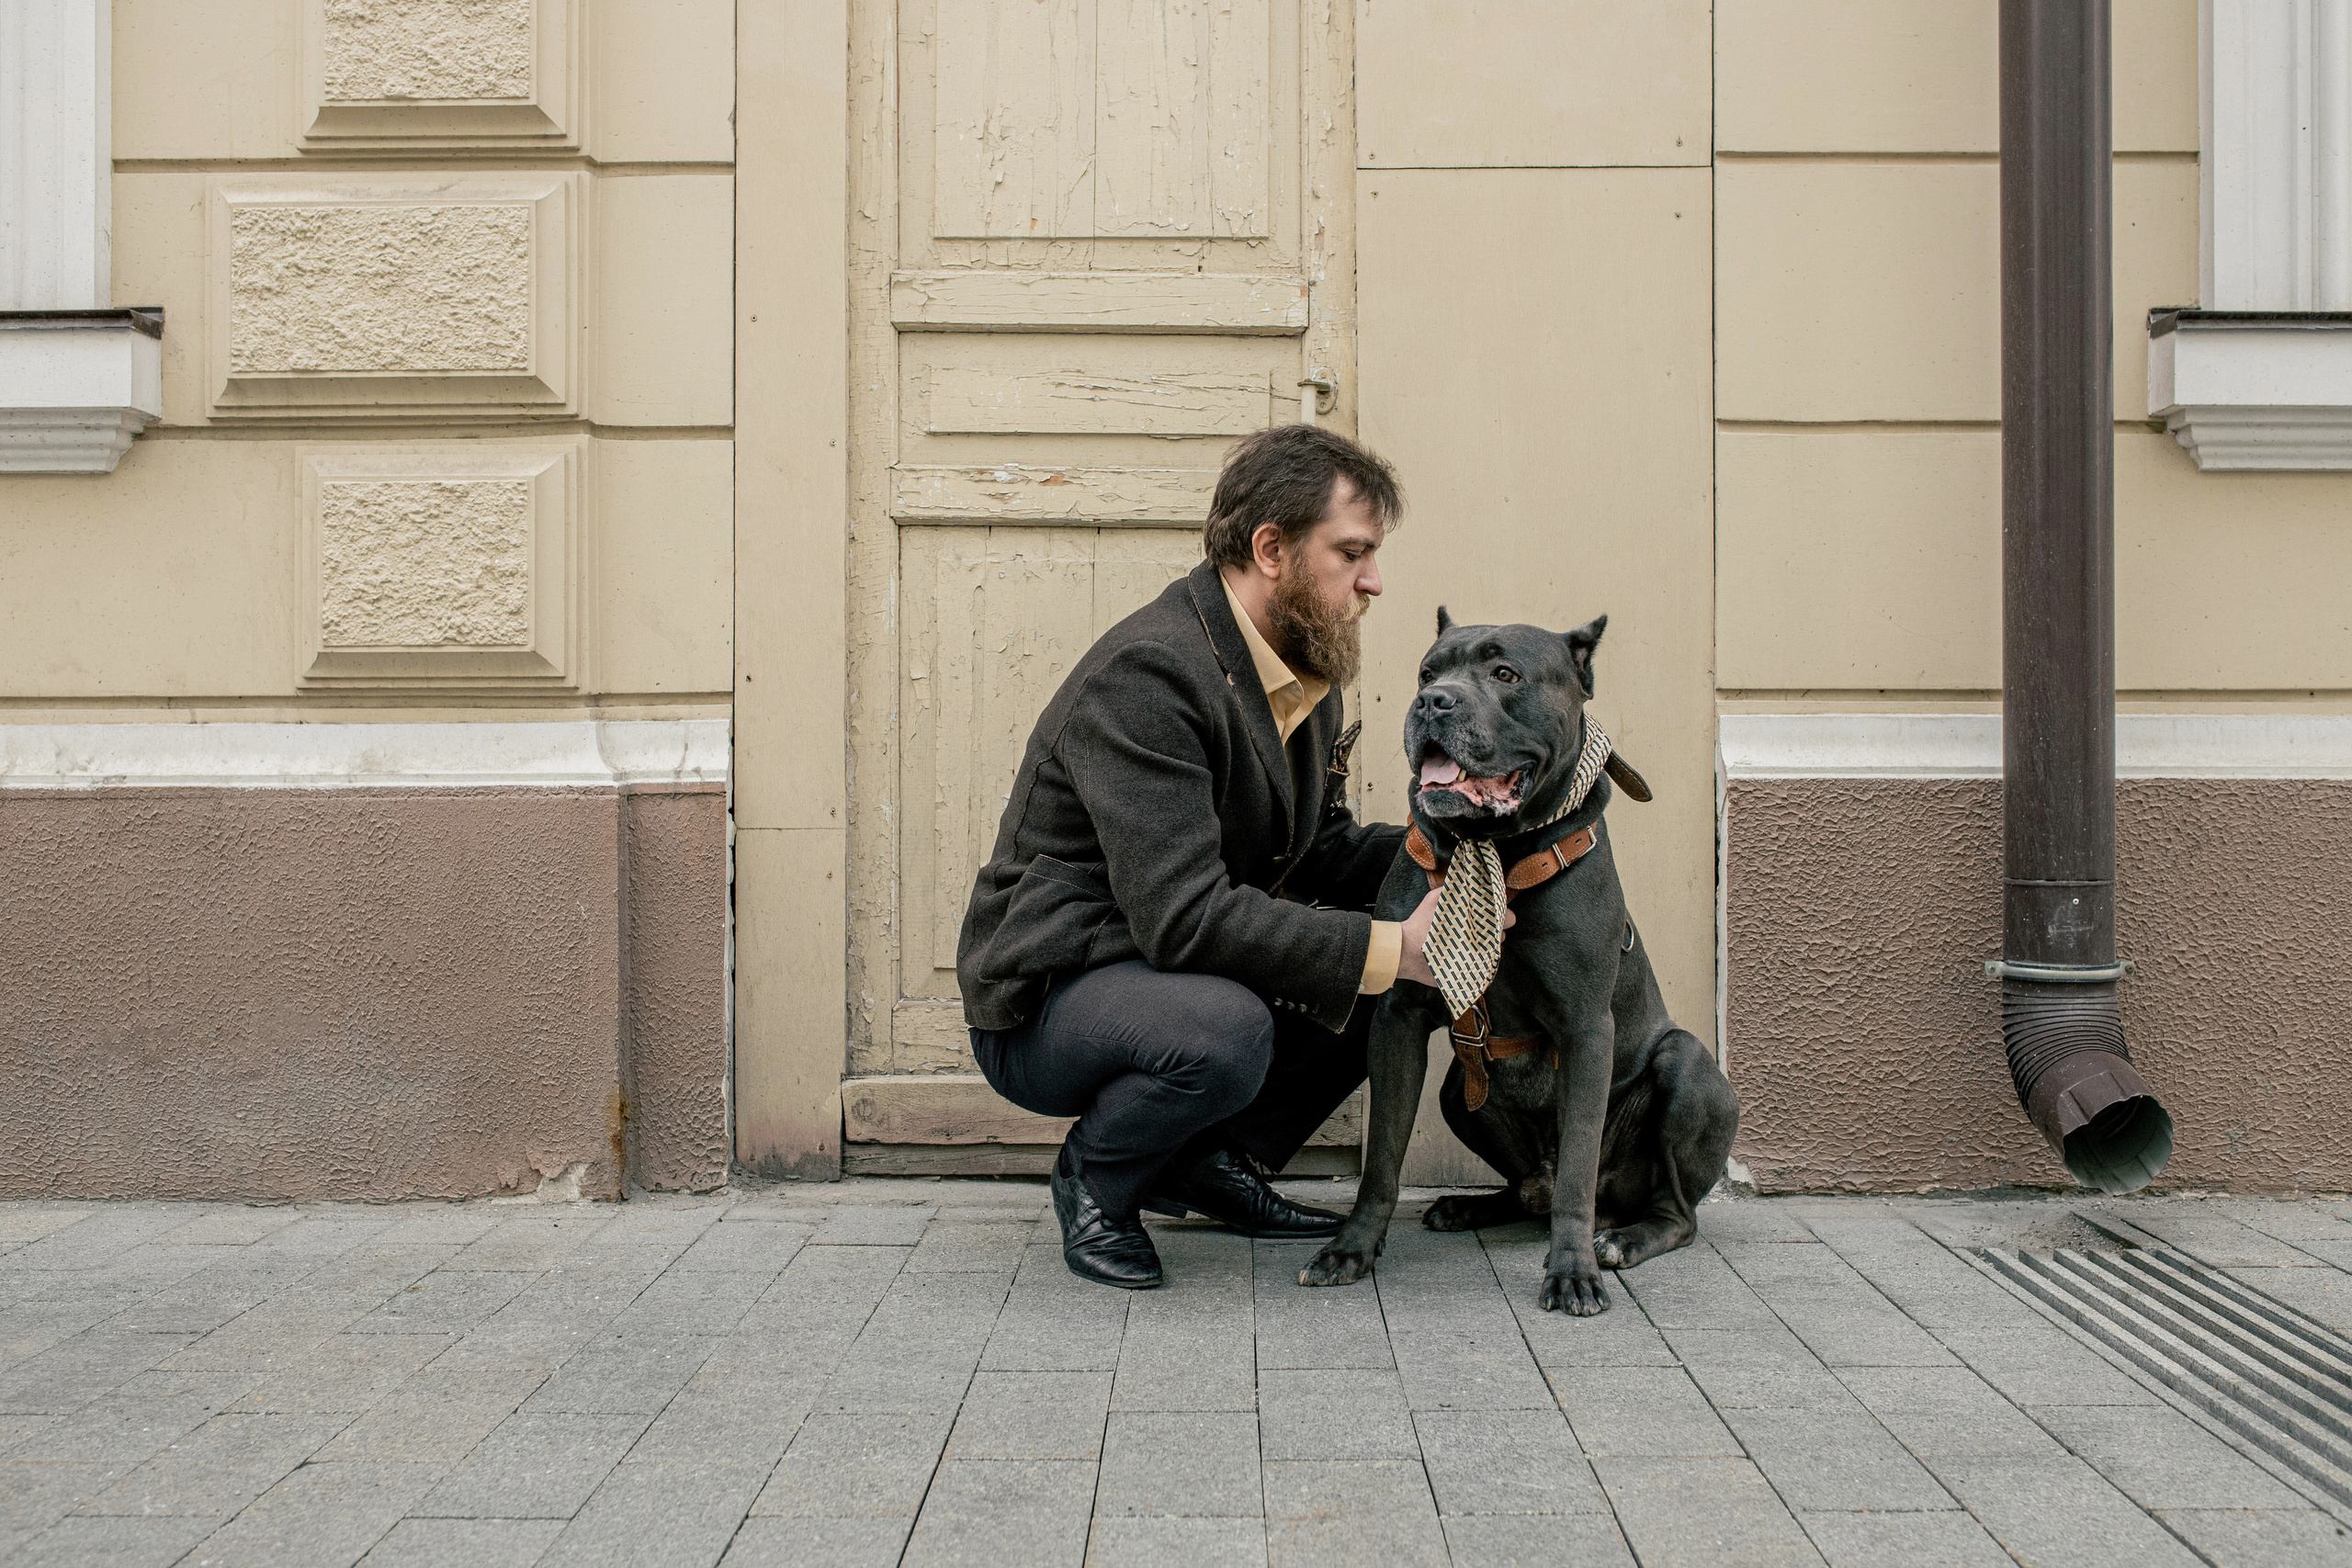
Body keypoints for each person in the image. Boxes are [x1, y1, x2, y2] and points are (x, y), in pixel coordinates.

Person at [956, 424, 1453, 1288]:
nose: (1373, 580)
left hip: (1158, 963)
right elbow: (1184, 917)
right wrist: (1392, 947)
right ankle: (1097, 1179)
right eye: (1352, 553)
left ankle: (1205, 1160)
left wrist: (1441, 857)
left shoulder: (1300, 667)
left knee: (1400, 975)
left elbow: (1318, 848)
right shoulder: (1150, 676)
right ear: (1271, 548)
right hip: (1052, 998)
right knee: (1234, 1028)